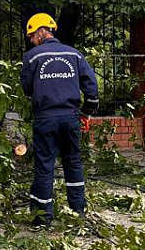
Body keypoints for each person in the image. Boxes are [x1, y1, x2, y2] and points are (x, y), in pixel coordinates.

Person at [20, 13, 100, 226]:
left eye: (31, 36)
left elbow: (27, 89)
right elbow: (92, 88)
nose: (31, 40)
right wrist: (86, 112)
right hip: (71, 117)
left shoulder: (33, 57)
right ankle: (78, 212)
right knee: (73, 161)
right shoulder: (74, 54)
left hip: (45, 117)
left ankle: (42, 217)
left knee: (45, 165)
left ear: (41, 31)